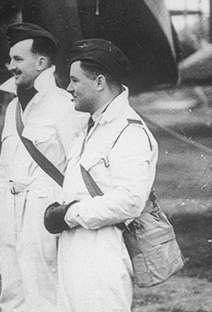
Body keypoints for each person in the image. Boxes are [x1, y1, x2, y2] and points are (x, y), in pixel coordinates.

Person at [44, 38, 158, 311]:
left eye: (75, 80)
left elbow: (131, 200)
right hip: (74, 248)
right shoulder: (90, 127)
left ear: (99, 82)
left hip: (103, 252)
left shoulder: (129, 131)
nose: (68, 88)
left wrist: (70, 214)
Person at [0, 23, 83, 311]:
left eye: (17, 59)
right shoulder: (14, 107)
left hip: (45, 209)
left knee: (44, 291)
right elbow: (5, 168)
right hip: (12, 208)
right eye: (10, 58)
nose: (10, 66)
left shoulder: (65, 106)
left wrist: (68, 214)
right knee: (12, 293)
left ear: (41, 63)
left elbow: (77, 168)